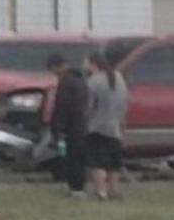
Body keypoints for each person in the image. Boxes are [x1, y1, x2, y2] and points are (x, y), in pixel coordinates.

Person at [84, 51, 129, 201]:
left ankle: (100, 191)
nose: (84, 65)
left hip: (97, 126)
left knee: (97, 162)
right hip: (115, 125)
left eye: (86, 62)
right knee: (113, 163)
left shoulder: (93, 81)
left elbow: (89, 105)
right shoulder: (119, 77)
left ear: (93, 64)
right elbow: (125, 101)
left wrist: (85, 119)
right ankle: (114, 190)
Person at [48, 54, 89, 198]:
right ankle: (79, 186)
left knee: (71, 158)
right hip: (82, 125)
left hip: (70, 127)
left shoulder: (66, 82)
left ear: (57, 66)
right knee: (79, 158)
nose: (53, 73)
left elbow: (62, 107)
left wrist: (58, 128)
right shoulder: (81, 80)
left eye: (53, 69)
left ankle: (75, 187)